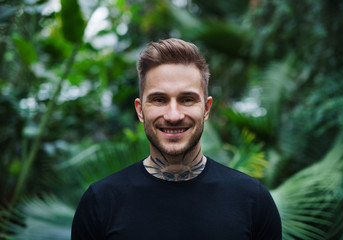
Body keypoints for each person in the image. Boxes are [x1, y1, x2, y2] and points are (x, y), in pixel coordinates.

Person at [71, 38, 282, 239]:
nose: (173, 115)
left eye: (187, 99)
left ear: (206, 109)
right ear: (140, 110)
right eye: (159, 99)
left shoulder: (253, 200)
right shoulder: (100, 202)